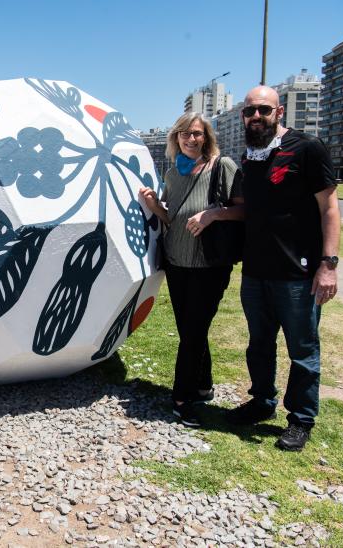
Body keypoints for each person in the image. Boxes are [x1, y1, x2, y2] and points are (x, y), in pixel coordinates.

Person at [225, 85, 340, 452]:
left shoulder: (307, 148)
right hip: (256, 272)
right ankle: (262, 402)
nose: (255, 116)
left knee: (303, 350)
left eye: (263, 109)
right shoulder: (249, 155)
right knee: (259, 345)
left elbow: (330, 209)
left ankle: (301, 419)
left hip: (298, 274)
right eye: (249, 111)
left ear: (280, 111)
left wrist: (329, 265)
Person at [139, 112, 244, 427]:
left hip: (208, 266)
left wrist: (213, 215)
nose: (190, 138)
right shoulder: (173, 173)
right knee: (190, 329)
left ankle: (182, 398)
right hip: (176, 263)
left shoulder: (222, 167)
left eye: (197, 133)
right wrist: (155, 205)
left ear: (206, 137)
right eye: (184, 133)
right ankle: (203, 384)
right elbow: (173, 218)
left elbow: (244, 210)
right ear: (176, 138)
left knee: (194, 330)